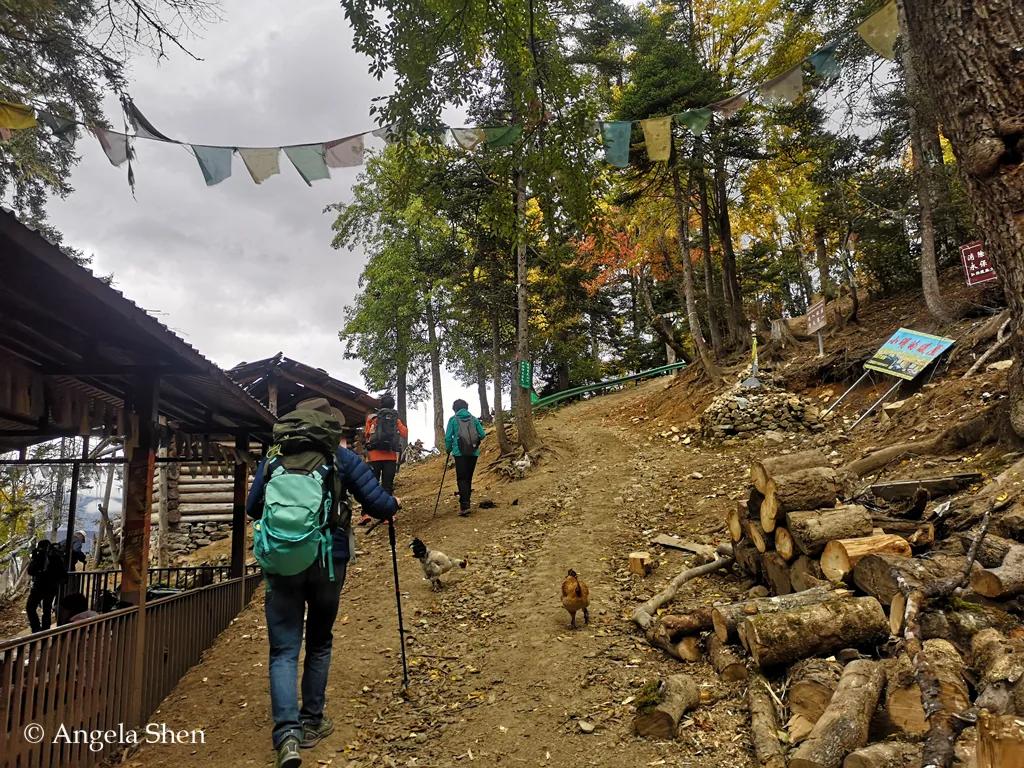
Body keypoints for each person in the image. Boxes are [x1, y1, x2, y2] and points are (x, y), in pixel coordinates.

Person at [246, 397, 399, 768]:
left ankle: (287, 736)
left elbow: (252, 508)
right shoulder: (339, 457)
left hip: (282, 562)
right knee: (319, 642)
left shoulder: (275, 455)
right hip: (329, 562)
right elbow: (377, 503)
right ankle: (312, 721)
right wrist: (393, 505)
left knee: (283, 651)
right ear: (328, 424)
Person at [361, 393, 407, 525]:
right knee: (387, 486)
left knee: (371, 485)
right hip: (390, 456)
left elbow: (367, 434)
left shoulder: (373, 418)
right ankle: (387, 516)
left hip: (374, 456)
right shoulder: (395, 419)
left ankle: (365, 514)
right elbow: (405, 433)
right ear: (393, 405)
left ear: (380, 405)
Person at [444, 399, 486, 516]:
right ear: (466, 407)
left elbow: (448, 438)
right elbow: (482, 435)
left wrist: (448, 449)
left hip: (459, 453)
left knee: (461, 479)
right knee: (468, 478)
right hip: (473, 453)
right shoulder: (474, 419)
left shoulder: (453, 420)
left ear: (455, 409)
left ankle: (465, 505)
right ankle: (467, 503)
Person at [26, 539, 65, 633]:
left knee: (30, 607)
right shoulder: (56, 557)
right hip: (51, 587)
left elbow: (31, 571)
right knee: (46, 610)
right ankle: (45, 631)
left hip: (39, 586)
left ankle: (36, 629)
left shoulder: (41, 556)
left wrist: (35, 558)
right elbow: (62, 573)